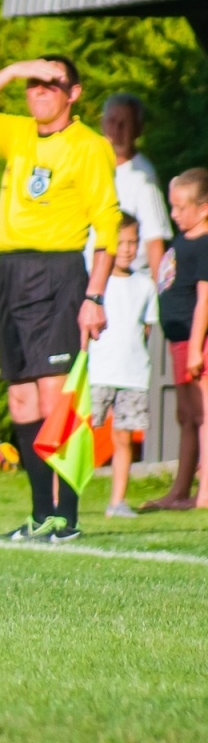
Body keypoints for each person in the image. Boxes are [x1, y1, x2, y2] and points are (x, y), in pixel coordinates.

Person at [0, 56, 120, 543]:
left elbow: (107, 227)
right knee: (21, 397)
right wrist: (9, 70)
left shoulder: (89, 146)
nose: (40, 91)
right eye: (32, 84)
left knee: (55, 396)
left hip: (58, 273)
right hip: (11, 272)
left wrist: (94, 296)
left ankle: (68, 517)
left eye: (51, 84)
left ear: (74, 93)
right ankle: (41, 513)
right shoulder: (18, 133)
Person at [146, 170, 208, 511]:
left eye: (181, 207)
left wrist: (197, 347)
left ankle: (205, 493)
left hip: (197, 342)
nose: (174, 214)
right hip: (179, 340)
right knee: (186, 415)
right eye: (172, 206)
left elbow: (205, 299)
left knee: (204, 414)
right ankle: (180, 490)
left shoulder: (205, 244)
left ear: (204, 208)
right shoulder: (183, 239)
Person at [89, 215, 158, 518]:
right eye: (121, 243)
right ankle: (59, 498)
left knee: (123, 437)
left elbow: (146, 328)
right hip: (98, 371)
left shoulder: (145, 285)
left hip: (133, 374)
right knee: (80, 436)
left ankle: (117, 501)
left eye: (133, 242)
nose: (128, 249)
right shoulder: (95, 283)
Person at [89, 94, 171, 277]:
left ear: (138, 130)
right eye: (112, 122)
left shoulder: (142, 176)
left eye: (125, 124)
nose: (117, 131)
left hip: (129, 282)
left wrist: (159, 290)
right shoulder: (90, 165)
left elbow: (154, 240)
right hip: (88, 279)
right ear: (102, 124)